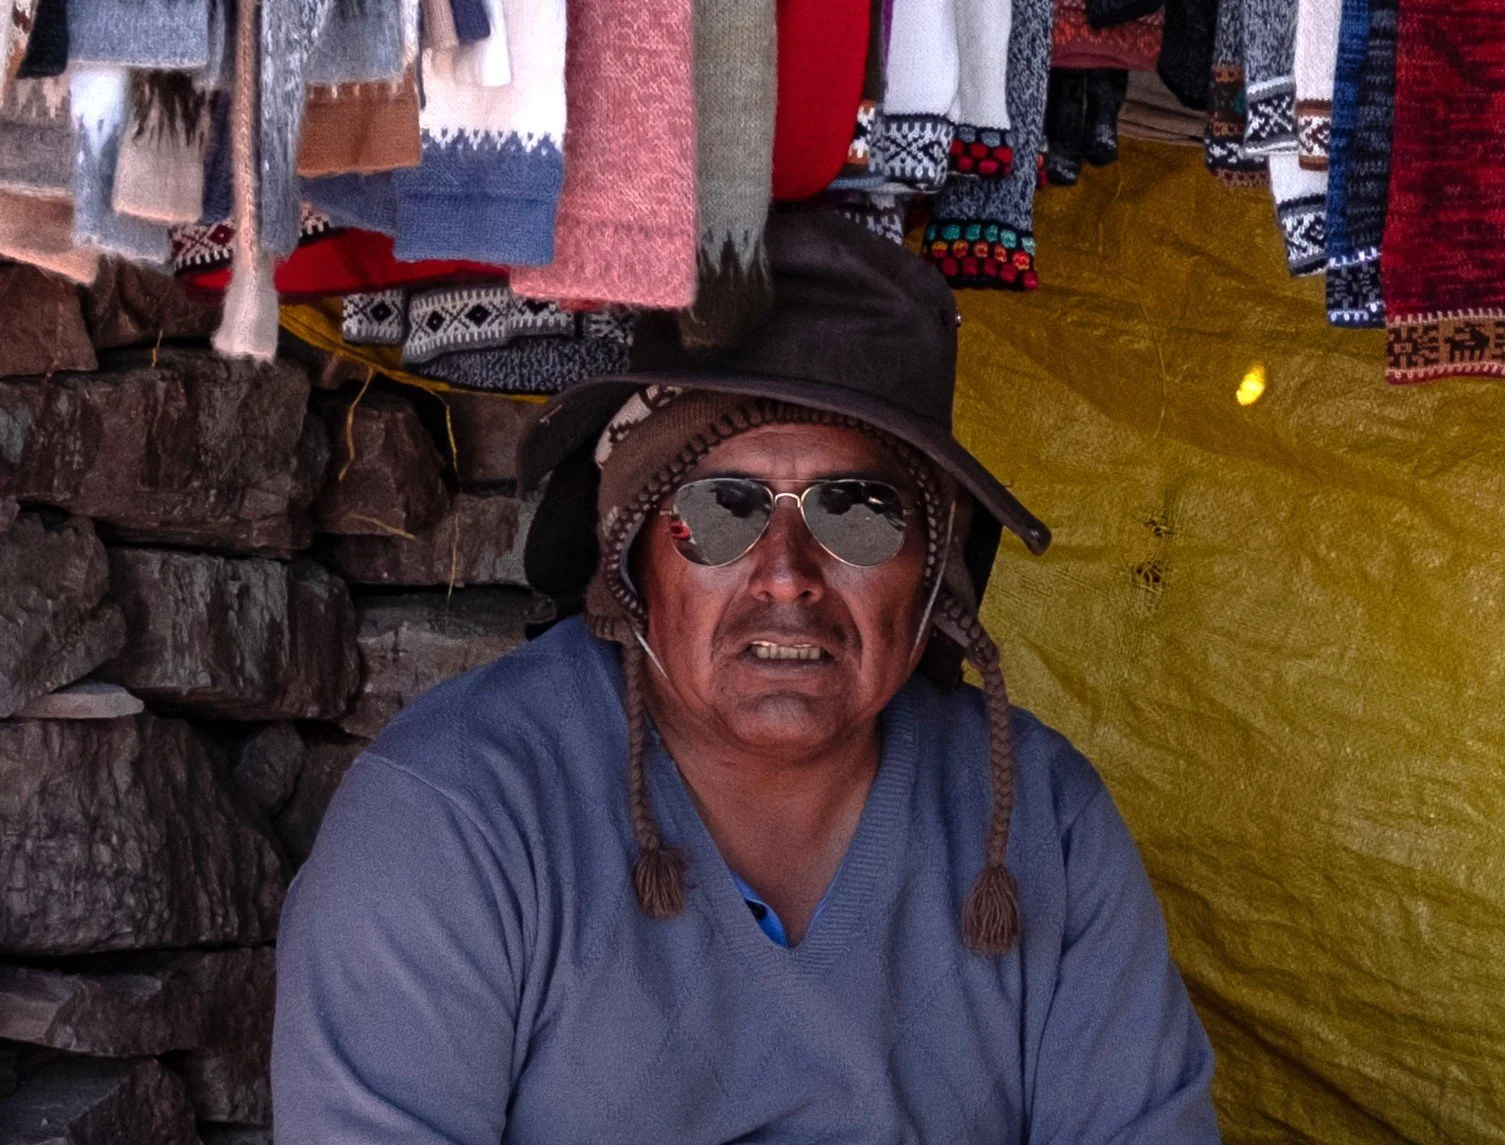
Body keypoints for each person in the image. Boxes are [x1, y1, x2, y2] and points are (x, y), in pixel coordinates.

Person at [272, 211, 1220, 1143]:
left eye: (855, 510)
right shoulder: (452, 820)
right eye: (719, 510)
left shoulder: (1044, 826)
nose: (786, 574)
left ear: (933, 568)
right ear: (629, 550)